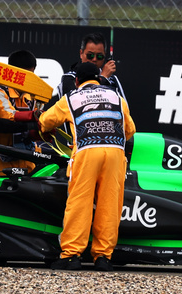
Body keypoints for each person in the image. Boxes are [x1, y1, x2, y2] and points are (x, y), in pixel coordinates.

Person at [38, 61, 135, 271]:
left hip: (87, 151)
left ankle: (72, 255)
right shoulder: (116, 97)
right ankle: (103, 257)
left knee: (79, 202)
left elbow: (45, 121)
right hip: (115, 153)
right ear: (99, 78)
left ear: (76, 81)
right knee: (110, 205)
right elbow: (130, 130)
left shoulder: (71, 98)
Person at [0, 49, 41, 175]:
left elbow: (34, 129)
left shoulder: (32, 96)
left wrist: (40, 131)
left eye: (31, 75)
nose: (27, 79)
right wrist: (33, 117)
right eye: (23, 74)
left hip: (27, 164)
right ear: (11, 71)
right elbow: (7, 116)